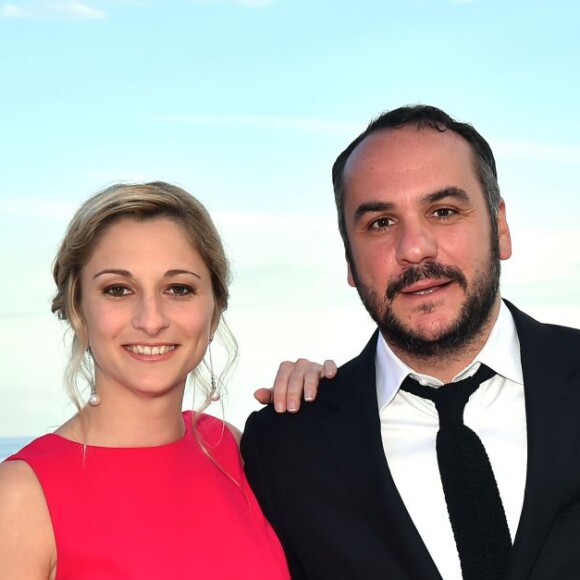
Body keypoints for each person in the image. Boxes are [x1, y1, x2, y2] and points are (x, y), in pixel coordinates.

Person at [242, 105, 580, 580]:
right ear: (349, 261)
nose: (414, 247)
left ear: (500, 227)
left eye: (443, 212)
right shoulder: (284, 447)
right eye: (380, 223)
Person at [0, 181, 334, 579]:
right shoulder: (20, 496)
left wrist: (325, 406)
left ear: (214, 311)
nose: (151, 319)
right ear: (78, 309)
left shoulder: (230, 448)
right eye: (118, 290)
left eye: (178, 289)